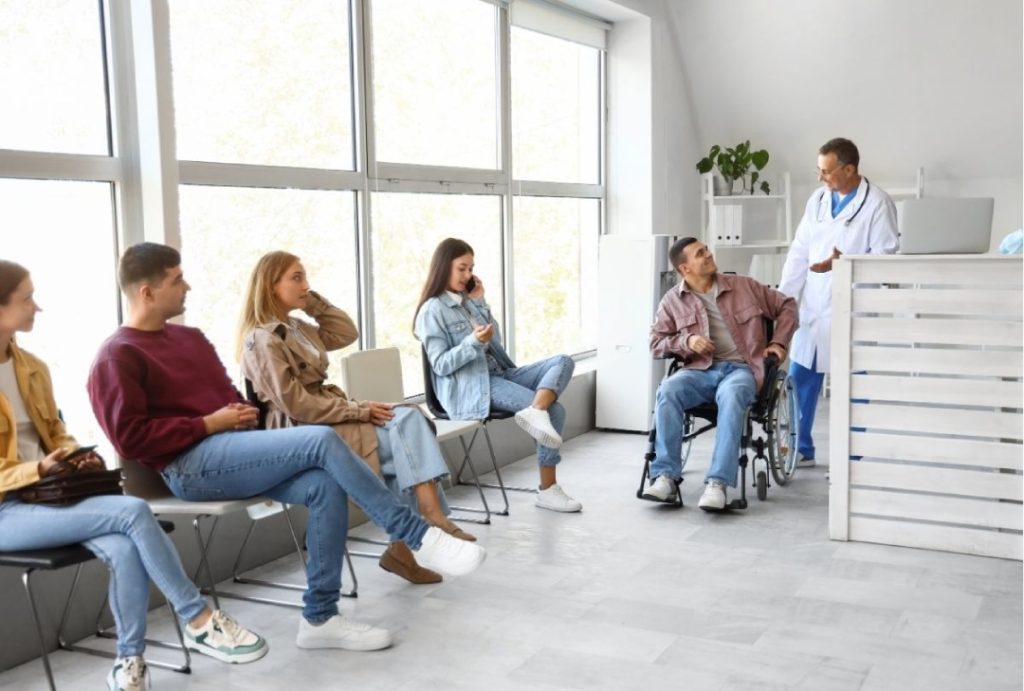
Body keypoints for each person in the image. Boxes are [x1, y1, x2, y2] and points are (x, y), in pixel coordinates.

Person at [88, 243, 485, 655]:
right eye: (177, 280)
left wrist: (236, 415)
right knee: (321, 439)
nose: (186, 286)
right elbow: (130, 438)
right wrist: (208, 424)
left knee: (324, 484)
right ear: (147, 292)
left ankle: (320, 618)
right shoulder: (117, 355)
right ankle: (415, 533)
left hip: (236, 448)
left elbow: (230, 398)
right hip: (189, 466)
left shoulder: (190, 339)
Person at [0, 260, 267, 691]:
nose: (37, 307)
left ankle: (129, 666)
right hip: (8, 510)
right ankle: (198, 618)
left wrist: (71, 456)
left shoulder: (32, 367)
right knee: (132, 512)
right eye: (27, 298)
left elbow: (55, 431)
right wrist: (38, 468)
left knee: (124, 548)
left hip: (50, 497)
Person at [237, 251, 475, 587]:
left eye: (305, 277)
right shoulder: (262, 339)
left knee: (409, 420)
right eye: (297, 278)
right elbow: (296, 404)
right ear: (270, 286)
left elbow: (346, 332)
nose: (306, 285)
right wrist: (358, 410)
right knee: (404, 438)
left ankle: (413, 537)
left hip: (329, 415)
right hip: (301, 431)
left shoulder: (298, 327)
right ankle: (426, 523)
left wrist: (311, 302)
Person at [414, 238, 582, 513]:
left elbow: (497, 343)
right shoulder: (431, 311)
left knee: (563, 361)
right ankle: (548, 490)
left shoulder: (469, 302)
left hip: (501, 373)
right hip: (474, 386)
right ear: (444, 267)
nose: (467, 275)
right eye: (461, 268)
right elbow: (441, 365)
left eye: (471, 269)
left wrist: (481, 303)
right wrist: (473, 342)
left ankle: (536, 410)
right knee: (556, 411)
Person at [643, 238, 797, 511]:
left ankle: (718, 483)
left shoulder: (744, 286)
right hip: (699, 370)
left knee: (732, 393)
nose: (708, 254)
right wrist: (687, 341)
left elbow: (788, 306)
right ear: (685, 269)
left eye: (706, 250)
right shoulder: (672, 301)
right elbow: (656, 343)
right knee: (668, 390)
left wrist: (779, 342)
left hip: (742, 369)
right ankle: (665, 477)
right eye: (700, 253)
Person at [778, 138, 898, 467]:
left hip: (853, 308)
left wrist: (844, 262)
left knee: (853, 387)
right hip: (814, 306)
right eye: (818, 170)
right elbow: (799, 251)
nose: (821, 178)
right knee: (801, 379)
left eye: (827, 171)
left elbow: (886, 258)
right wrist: (785, 300)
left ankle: (852, 457)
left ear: (849, 169)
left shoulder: (877, 204)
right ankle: (800, 448)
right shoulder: (818, 199)